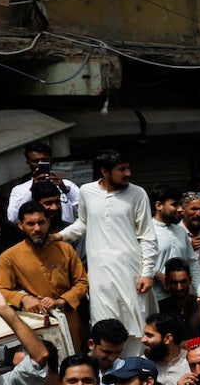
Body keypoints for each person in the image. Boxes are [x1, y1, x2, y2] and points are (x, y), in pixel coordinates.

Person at [59, 149, 157, 357]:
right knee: (104, 322)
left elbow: (147, 235)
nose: (128, 173)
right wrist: (59, 237)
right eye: (122, 169)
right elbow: (83, 223)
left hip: (131, 271)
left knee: (135, 321)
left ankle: (134, 367)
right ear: (104, 171)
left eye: (129, 168)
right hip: (99, 273)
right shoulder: (87, 191)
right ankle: (108, 374)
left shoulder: (137, 193)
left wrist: (147, 272)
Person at [0, 201, 89, 349]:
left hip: (67, 318)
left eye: (41, 222)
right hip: (34, 321)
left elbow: (82, 283)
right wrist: (24, 299)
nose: (37, 228)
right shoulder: (9, 256)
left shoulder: (65, 249)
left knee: (71, 361)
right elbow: (1, 289)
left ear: (48, 222)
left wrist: (61, 301)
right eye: (31, 224)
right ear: (21, 225)